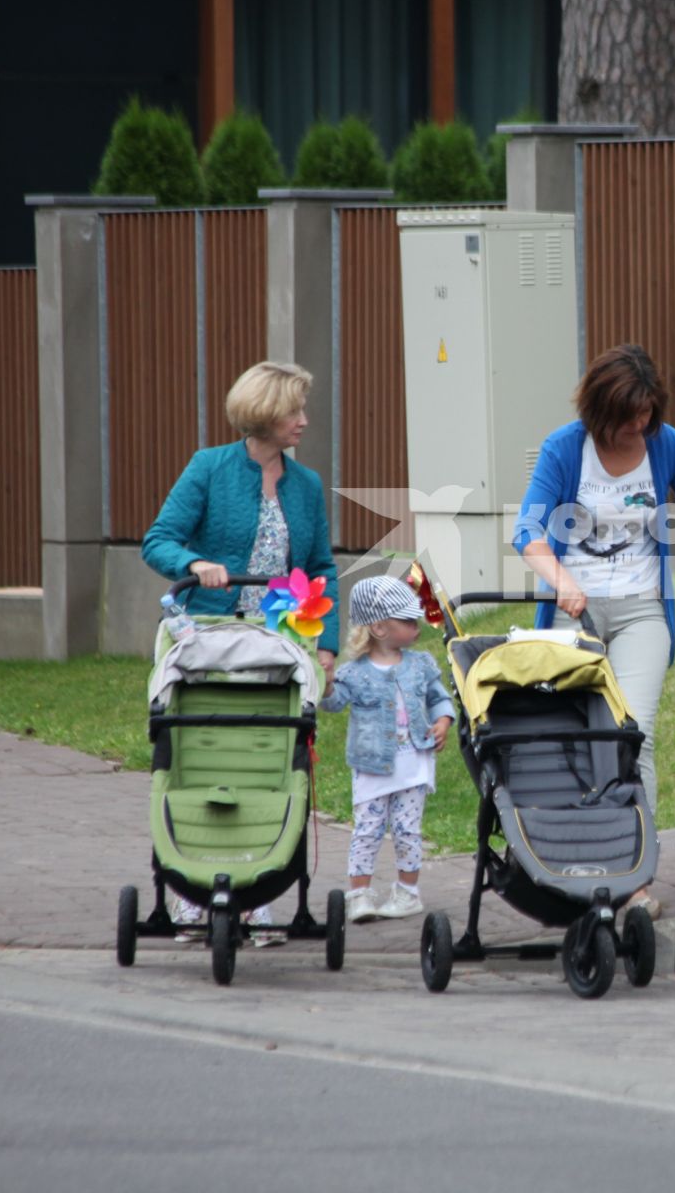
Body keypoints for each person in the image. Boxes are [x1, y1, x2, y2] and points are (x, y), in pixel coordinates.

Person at [513, 345, 675, 919]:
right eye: (627, 416)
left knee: (633, 734)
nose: (638, 426)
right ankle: (575, 865)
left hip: (642, 611)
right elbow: (528, 530)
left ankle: (637, 879)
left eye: (646, 414)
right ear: (599, 409)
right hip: (577, 615)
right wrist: (560, 578)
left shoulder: (668, 447)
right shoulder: (564, 448)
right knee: (575, 740)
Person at [141, 360, 341, 941]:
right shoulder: (210, 468)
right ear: (262, 415)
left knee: (271, 764)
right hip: (205, 644)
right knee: (199, 758)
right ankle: (189, 891)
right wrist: (194, 565)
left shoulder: (305, 485)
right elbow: (159, 541)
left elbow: (320, 567)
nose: (303, 421)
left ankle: (257, 891)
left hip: (277, 648)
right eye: (293, 411)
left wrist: (324, 646)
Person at [319, 576, 454, 924]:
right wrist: (329, 680)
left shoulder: (421, 664)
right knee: (367, 829)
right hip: (371, 765)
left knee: (408, 829)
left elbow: (439, 698)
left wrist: (443, 721)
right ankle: (359, 895)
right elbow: (333, 705)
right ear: (379, 628)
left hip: (414, 762)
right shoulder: (354, 672)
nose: (416, 627)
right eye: (408, 621)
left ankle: (407, 893)